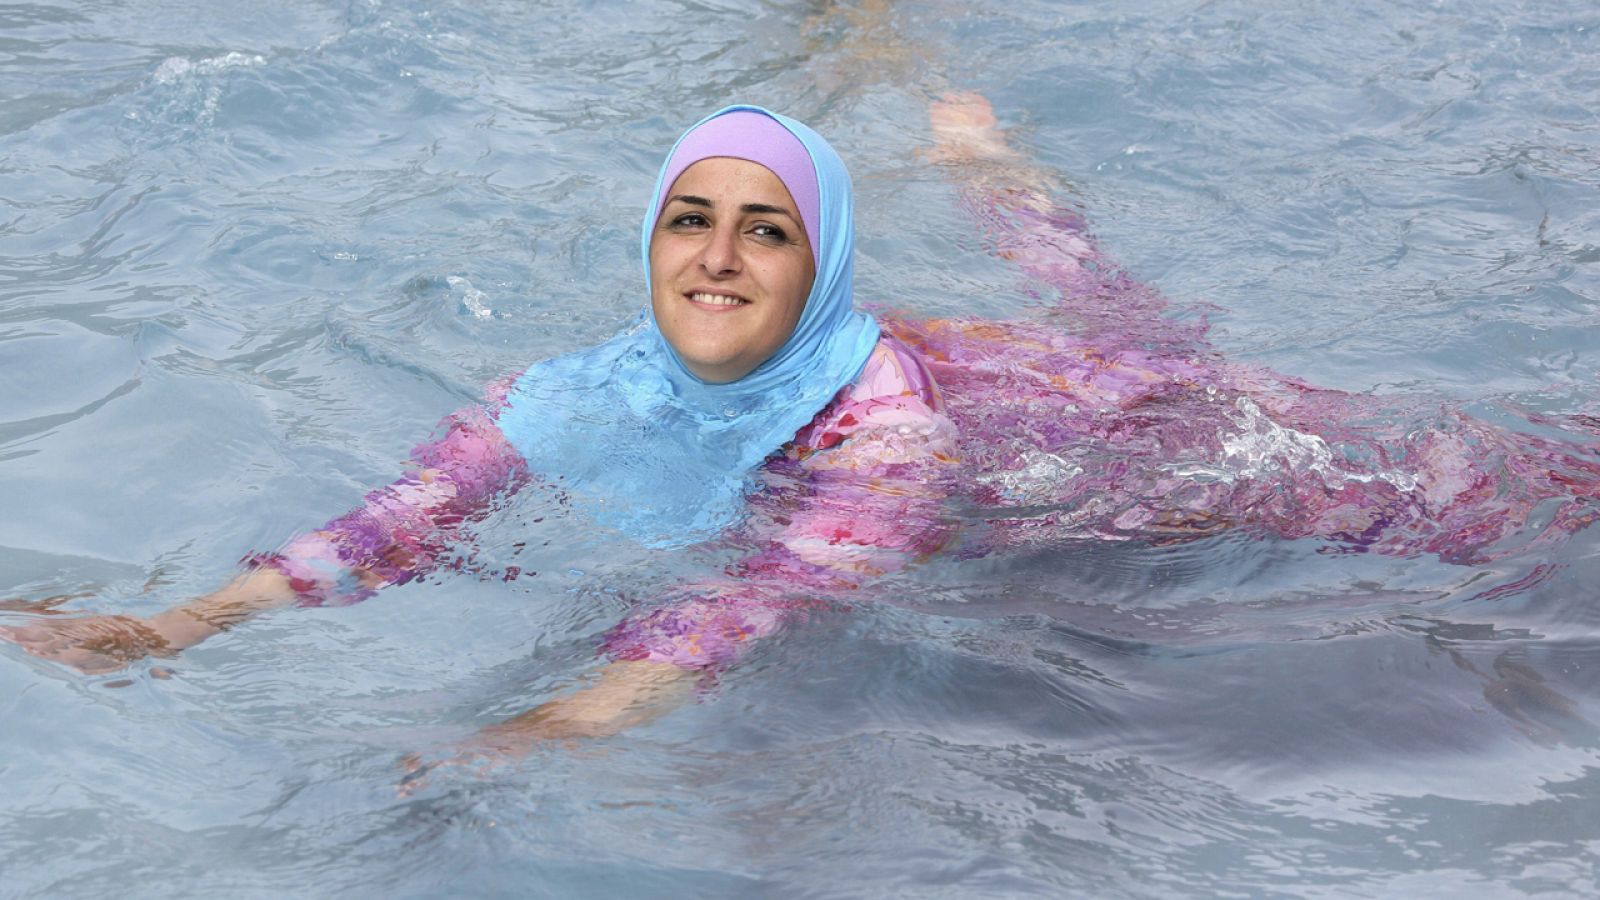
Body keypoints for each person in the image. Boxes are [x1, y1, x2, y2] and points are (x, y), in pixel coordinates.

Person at [5, 95, 1600, 757]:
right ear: (646, 242)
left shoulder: (880, 446)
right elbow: (400, 524)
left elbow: (753, 608)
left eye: (766, 231)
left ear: (819, 261)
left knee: (1540, 510)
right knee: (1108, 311)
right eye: (688, 218)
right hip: (1059, 376)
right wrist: (180, 625)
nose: (713, 255)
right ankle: (996, 173)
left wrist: (542, 728)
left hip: (1224, 465)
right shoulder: (580, 386)